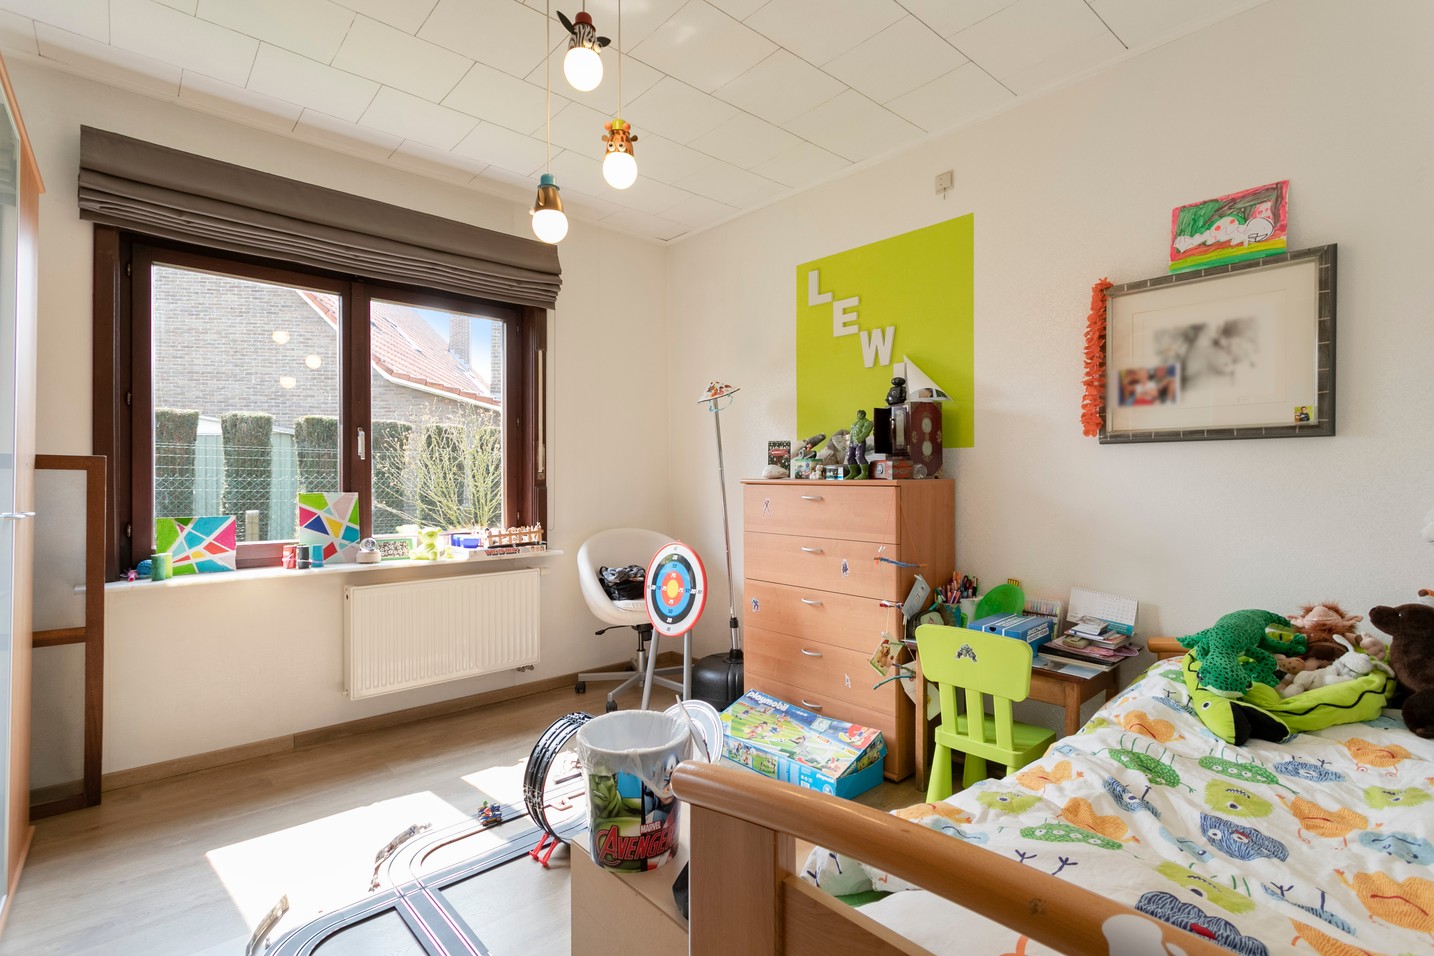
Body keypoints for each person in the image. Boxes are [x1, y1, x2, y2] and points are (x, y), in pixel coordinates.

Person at [846, 410, 873, 479]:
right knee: (849, 456)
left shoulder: (867, 422)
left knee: (859, 456)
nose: (858, 415)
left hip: (860, 441)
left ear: (863, 415)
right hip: (852, 442)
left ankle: (865, 473)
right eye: (857, 414)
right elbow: (852, 432)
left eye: (859, 414)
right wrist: (850, 441)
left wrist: (859, 439)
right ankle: (853, 472)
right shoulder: (855, 423)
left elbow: (866, 432)